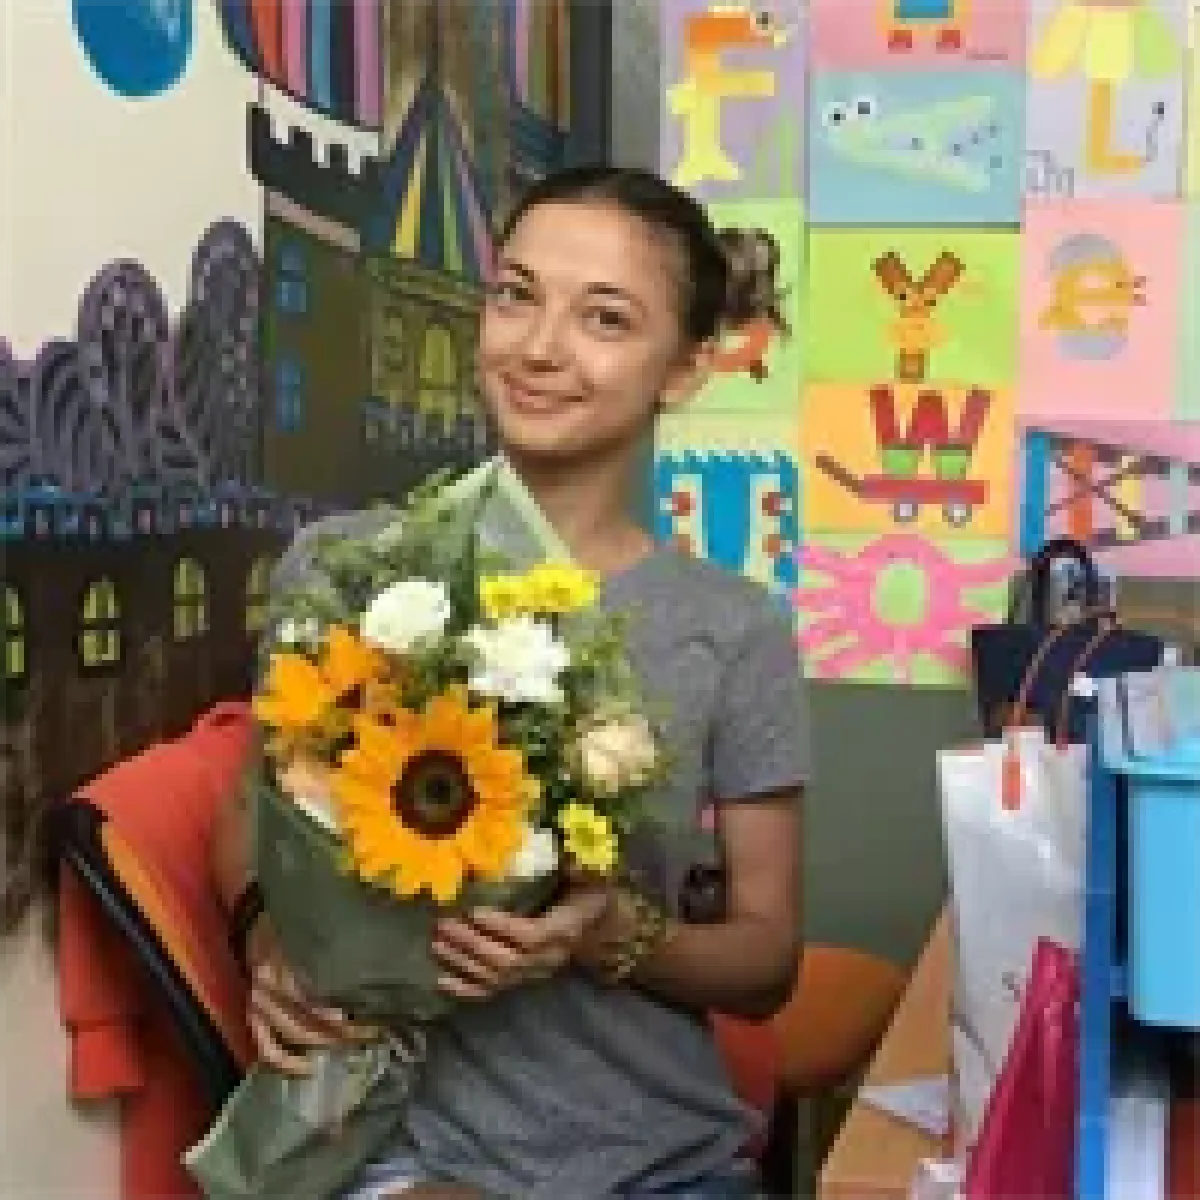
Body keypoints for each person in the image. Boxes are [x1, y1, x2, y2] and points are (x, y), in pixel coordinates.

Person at [213, 166, 810, 1200]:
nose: (539, 348)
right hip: (392, 1146)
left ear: (683, 370)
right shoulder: (348, 569)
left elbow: (767, 962)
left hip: (661, 1164)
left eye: (605, 319)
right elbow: (249, 810)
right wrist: (270, 948)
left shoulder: (732, 628)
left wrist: (609, 935)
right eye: (516, 295)